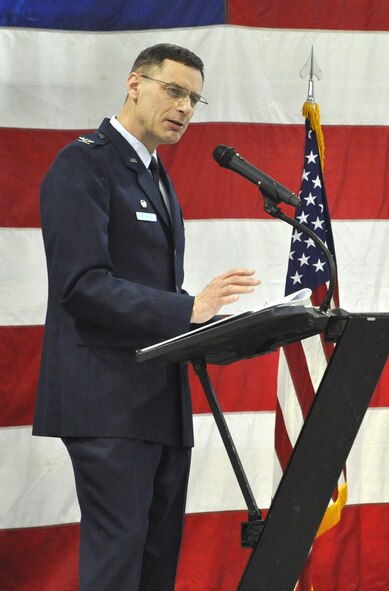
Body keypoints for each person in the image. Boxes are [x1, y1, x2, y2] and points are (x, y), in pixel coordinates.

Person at [33, 43, 259, 590]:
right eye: (174, 90)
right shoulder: (83, 162)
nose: (185, 107)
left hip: (159, 399)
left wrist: (212, 326)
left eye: (196, 99)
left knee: (156, 565)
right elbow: (81, 285)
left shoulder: (155, 174)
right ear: (135, 83)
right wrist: (188, 307)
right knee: (119, 564)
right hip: (107, 401)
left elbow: (149, 291)